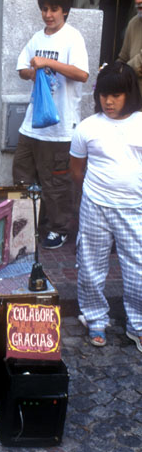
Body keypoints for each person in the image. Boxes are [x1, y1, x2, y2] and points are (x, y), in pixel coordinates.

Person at [69, 62, 142, 353]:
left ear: (130, 94)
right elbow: (76, 170)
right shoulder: (88, 127)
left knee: (137, 268)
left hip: (133, 207)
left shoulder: (139, 123)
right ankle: (95, 318)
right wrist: (95, 191)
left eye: (116, 95)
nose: (109, 102)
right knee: (90, 266)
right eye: (103, 95)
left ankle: (137, 325)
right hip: (95, 206)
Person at [13, 0, 89, 249]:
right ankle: (28, 223)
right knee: (23, 175)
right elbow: (22, 68)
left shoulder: (73, 38)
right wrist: (35, 73)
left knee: (56, 182)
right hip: (32, 125)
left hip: (61, 128)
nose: (48, 14)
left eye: (54, 9)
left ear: (65, 10)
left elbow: (82, 74)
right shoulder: (37, 38)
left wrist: (49, 63)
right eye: (44, 9)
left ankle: (59, 228)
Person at [117, 0, 142, 97]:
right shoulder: (134, 23)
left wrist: (125, 70)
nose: (138, 0)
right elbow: (122, 59)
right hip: (135, 107)